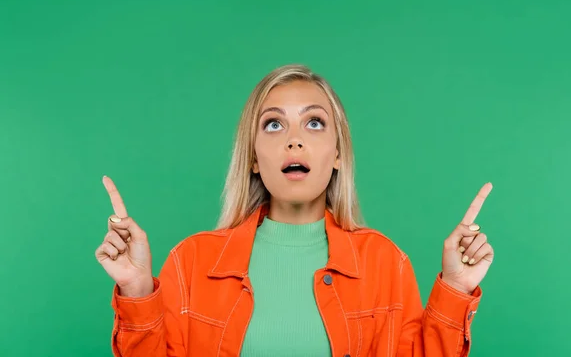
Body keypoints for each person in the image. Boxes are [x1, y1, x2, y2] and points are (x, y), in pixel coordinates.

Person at [96, 64, 494, 357]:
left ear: (337, 155)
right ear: (253, 158)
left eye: (315, 124)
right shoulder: (190, 263)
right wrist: (136, 291)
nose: (294, 141)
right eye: (273, 125)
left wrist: (456, 291)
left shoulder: (385, 264)